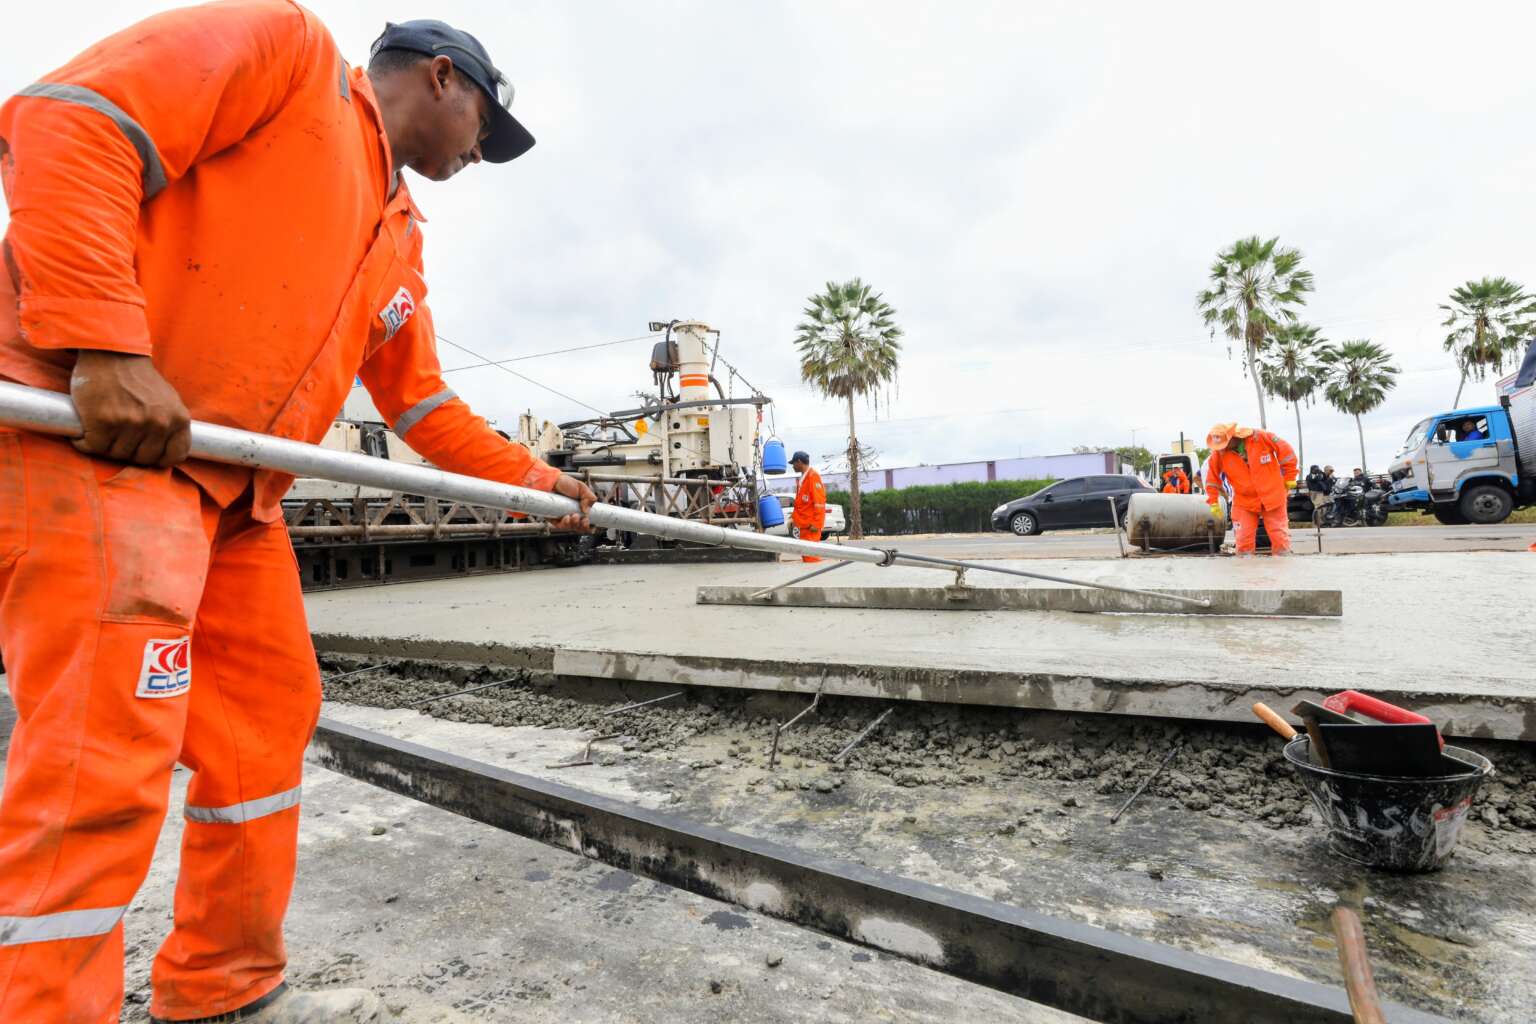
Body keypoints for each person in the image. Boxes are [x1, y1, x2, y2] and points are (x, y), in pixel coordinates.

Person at [0, 8, 598, 1022]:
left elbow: (423, 409)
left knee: (265, 722)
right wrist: (105, 343)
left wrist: (536, 482)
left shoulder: (396, 234)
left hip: (236, 490)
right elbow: (72, 119)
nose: (480, 157)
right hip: (97, 443)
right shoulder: (288, 59)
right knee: (98, 762)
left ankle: (220, 978)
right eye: (484, 132)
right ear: (443, 79)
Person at [1203, 422, 1298, 555]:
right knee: (1243, 539)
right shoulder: (1219, 454)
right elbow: (1211, 478)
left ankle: (1282, 566)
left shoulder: (1261, 437)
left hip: (1273, 494)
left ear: (1233, 437)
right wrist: (1213, 500)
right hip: (1244, 500)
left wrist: (1290, 475)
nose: (1221, 449)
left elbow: (1286, 451)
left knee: (1279, 536)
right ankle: (1245, 570)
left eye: (1224, 445)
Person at [789, 450, 827, 562]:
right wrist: (794, 518)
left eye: (794, 463)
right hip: (804, 525)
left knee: (811, 557)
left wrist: (817, 523)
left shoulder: (813, 477)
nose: (793, 466)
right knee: (807, 556)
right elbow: (801, 502)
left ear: (799, 462)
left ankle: (815, 579)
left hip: (811, 526)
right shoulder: (804, 478)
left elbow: (819, 502)